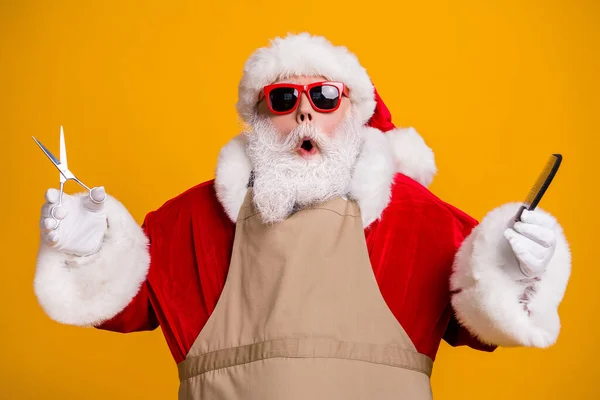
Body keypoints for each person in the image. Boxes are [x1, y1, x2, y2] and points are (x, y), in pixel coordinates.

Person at [33, 33, 571, 399]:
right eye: (284, 96)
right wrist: (89, 250)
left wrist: (515, 270)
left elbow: (479, 323)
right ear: (261, 117)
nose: (305, 110)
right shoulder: (192, 219)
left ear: (356, 114)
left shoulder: (419, 219)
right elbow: (127, 306)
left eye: (324, 96)